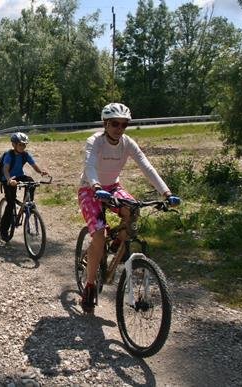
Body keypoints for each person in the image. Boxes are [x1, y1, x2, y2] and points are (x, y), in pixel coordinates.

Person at [77, 102, 181, 314]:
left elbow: (146, 166)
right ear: (106, 123)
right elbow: (89, 166)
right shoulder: (95, 141)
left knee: (133, 210)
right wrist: (96, 186)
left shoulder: (127, 143)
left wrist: (166, 193)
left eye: (124, 125)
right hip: (90, 188)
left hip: (113, 187)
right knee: (97, 235)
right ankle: (89, 286)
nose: (119, 128)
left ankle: (116, 243)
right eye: (115, 123)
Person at [0, 132, 48, 242]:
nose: (23, 147)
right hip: (8, 179)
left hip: (19, 176)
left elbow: (34, 165)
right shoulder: (9, 155)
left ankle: (28, 203)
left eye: (24, 145)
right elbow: (5, 169)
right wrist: (9, 180)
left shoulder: (25, 155)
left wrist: (41, 172)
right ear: (14, 145)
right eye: (20, 145)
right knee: (10, 204)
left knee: (31, 181)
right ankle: (3, 229)